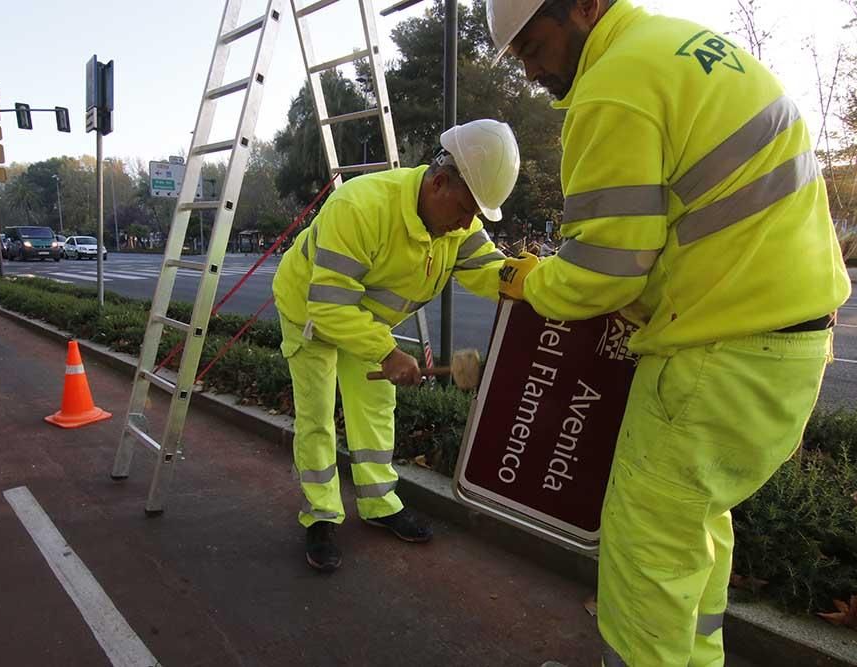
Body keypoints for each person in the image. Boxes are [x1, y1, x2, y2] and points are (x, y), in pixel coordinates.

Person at [486, 0, 852, 664]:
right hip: (787, 347)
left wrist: (528, 281)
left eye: (535, 48)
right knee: (695, 531)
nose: (533, 71)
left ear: (586, 8)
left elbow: (604, 272)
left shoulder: (614, 87)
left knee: (644, 558)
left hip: (716, 354)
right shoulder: (685, 50)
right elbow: (697, 223)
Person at [272, 119, 530, 572]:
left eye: (477, 215)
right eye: (467, 207)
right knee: (316, 415)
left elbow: (493, 272)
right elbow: (330, 306)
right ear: (439, 181)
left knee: (375, 406)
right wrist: (389, 352)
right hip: (311, 309)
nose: (469, 224)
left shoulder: (457, 228)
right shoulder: (360, 206)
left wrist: (532, 281)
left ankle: (378, 503)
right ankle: (321, 515)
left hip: (364, 318)